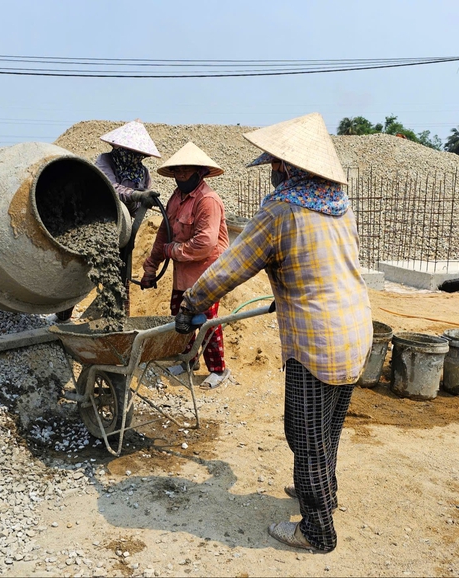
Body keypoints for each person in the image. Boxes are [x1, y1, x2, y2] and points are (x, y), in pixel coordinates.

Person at [174, 113, 372, 552]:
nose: (272, 172)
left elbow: (231, 265)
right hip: (356, 330)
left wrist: (191, 303)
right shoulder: (338, 204)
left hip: (315, 341)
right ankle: (326, 493)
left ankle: (317, 531)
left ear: (287, 166)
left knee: (304, 436)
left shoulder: (282, 210)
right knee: (327, 428)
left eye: (274, 165)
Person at [141, 142, 231, 389]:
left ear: (199, 172)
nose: (181, 176)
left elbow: (204, 243)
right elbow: (164, 234)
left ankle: (219, 370)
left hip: (206, 274)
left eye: (186, 171)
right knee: (180, 319)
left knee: (205, 321)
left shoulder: (207, 200)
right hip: (183, 274)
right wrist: (151, 267)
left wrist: (173, 250)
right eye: (177, 171)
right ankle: (188, 361)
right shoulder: (175, 199)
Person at [93, 120, 162, 317]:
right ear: (118, 147)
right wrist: (136, 195)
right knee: (84, 268)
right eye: (129, 151)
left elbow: (138, 206)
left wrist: (146, 201)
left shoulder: (143, 172)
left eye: (138, 154)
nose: (133, 157)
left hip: (124, 226)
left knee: (122, 271)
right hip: (100, 219)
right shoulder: (105, 161)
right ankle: (64, 313)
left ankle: (118, 315)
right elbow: (110, 188)